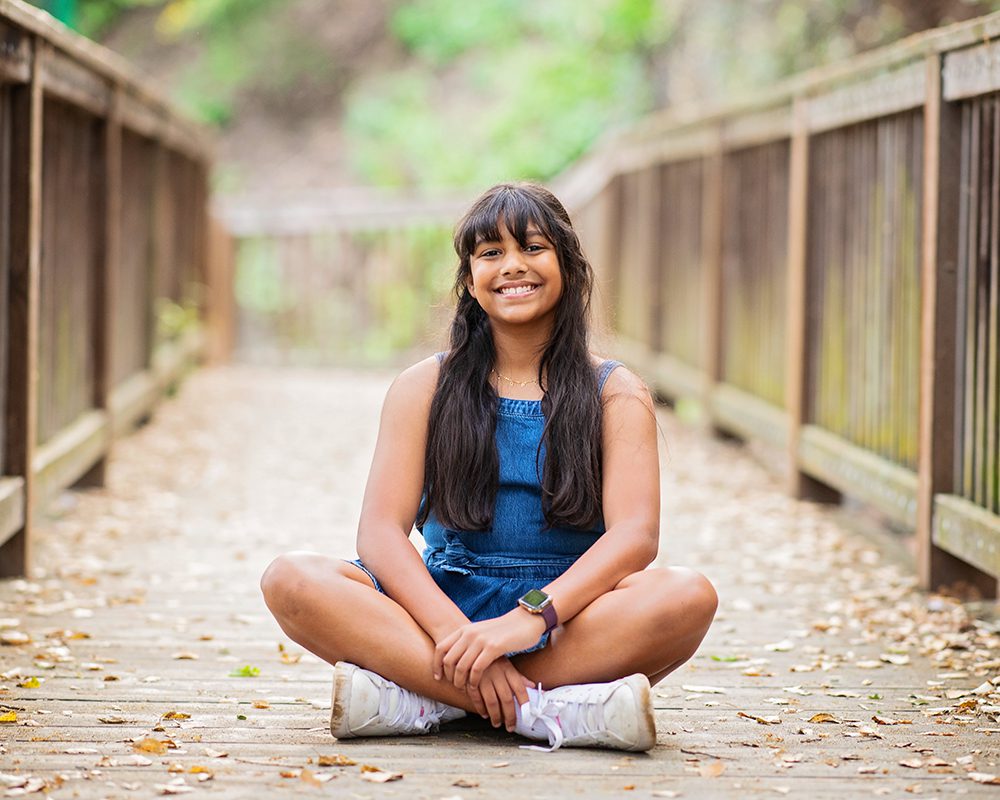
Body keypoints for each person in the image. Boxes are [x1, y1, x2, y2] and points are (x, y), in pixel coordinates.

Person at [261, 182, 717, 752]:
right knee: (293, 578)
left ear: (568, 266)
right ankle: (543, 710)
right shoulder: (423, 386)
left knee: (687, 595)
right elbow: (380, 534)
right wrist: (458, 634)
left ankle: (426, 699)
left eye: (532, 247)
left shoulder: (615, 393)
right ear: (470, 280)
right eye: (491, 253)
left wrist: (529, 620)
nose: (513, 267)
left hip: (566, 610)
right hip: (442, 602)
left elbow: (634, 538)